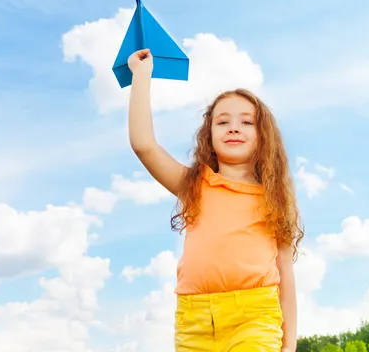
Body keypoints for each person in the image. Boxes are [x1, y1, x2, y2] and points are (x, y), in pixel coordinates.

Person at [126, 48, 304, 351]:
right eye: (223, 122)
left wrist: (289, 343)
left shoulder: (274, 199)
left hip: (255, 316)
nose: (234, 127)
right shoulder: (193, 184)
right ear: (207, 135)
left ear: (264, 136)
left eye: (247, 122)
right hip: (194, 321)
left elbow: (285, 273)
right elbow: (144, 145)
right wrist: (141, 77)